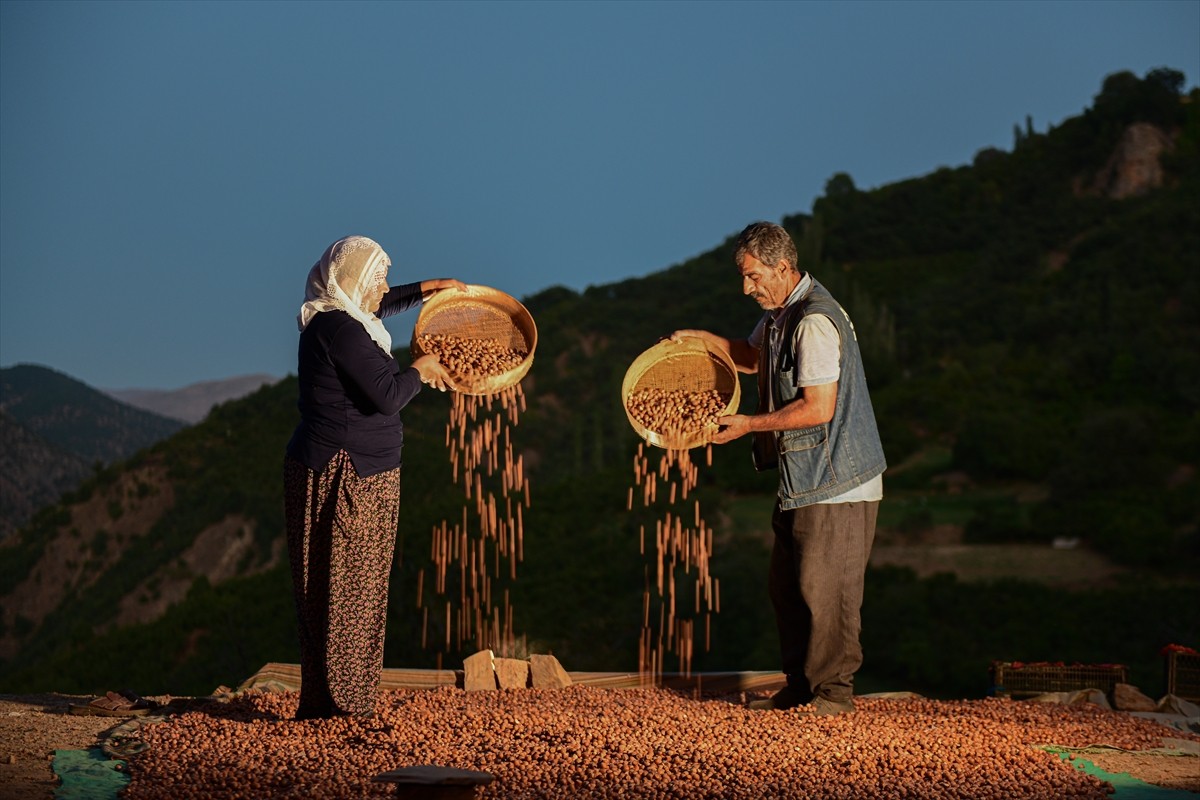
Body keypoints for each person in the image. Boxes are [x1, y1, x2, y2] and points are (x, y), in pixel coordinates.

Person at [673, 221, 886, 716]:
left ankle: (832, 697)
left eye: (753, 276)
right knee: (788, 587)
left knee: (826, 590)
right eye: (743, 277)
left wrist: (748, 424)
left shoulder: (812, 321)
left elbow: (818, 408)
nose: (746, 287)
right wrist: (702, 341)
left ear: (783, 268)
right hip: (801, 477)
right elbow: (749, 357)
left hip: (837, 479)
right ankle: (799, 687)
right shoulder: (778, 316)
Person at [283, 234, 463, 720]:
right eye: (377, 278)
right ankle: (343, 707)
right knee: (347, 592)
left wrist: (430, 287)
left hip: (356, 469)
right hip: (346, 475)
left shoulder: (341, 319)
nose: (384, 288)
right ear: (352, 284)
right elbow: (386, 396)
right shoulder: (340, 330)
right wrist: (420, 371)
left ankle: (335, 702)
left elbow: (380, 305)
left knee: (348, 590)